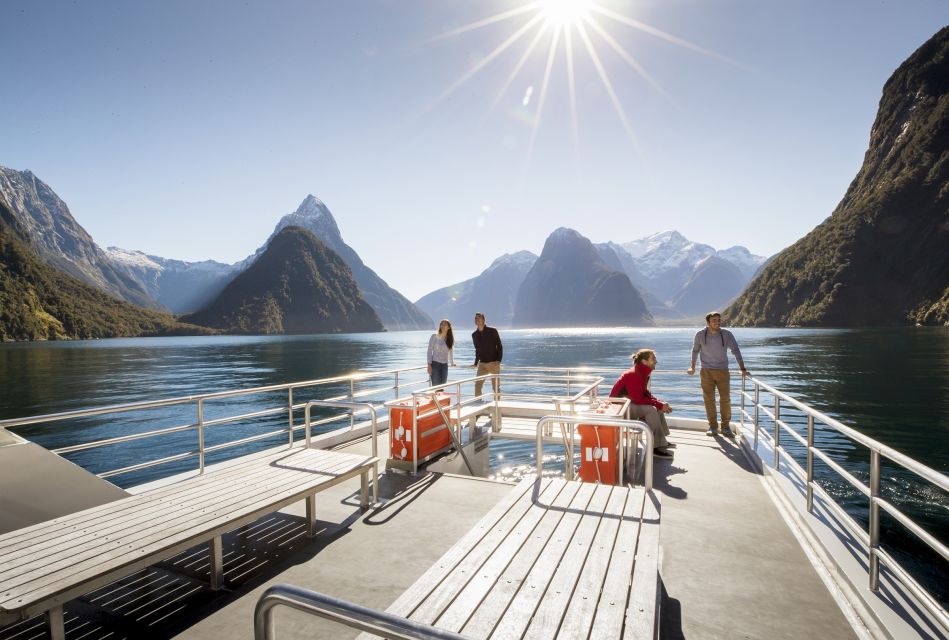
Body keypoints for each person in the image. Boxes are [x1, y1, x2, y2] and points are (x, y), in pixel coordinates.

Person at [687, 311, 750, 437]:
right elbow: (695, 351)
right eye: (714, 320)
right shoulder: (700, 335)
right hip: (706, 372)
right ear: (708, 322)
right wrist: (692, 367)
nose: (717, 322)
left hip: (723, 371)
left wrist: (742, 368)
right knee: (709, 400)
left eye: (718, 320)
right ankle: (712, 427)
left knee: (725, 400)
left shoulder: (726, 334)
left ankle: (726, 427)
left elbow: (735, 350)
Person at [610, 348, 675, 459]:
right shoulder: (634, 374)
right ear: (644, 362)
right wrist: (658, 405)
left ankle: (661, 441)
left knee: (657, 407)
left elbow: (645, 394)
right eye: (653, 358)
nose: (656, 361)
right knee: (651, 409)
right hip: (619, 408)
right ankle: (655, 447)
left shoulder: (641, 373)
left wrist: (660, 403)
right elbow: (638, 399)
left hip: (628, 404)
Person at [471, 312, 502, 398]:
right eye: (476, 318)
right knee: (477, 386)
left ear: (484, 320)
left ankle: (497, 405)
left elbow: (499, 345)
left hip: (494, 363)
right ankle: (478, 404)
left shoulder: (492, 331)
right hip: (482, 365)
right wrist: (475, 363)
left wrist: (499, 360)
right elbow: (477, 350)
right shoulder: (474, 335)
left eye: (479, 317)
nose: (477, 319)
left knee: (496, 387)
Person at [426, 319, 456, 386]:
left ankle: (435, 396)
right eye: (441, 324)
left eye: (445, 324)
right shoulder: (434, 336)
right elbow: (429, 351)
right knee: (436, 386)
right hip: (435, 365)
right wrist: (429, 365)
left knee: (442, 387)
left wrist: (452, 362)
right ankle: (434, 396)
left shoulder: (450, 339)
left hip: (445, 366)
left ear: (448, 327)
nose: (442, 325)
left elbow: (451, 351)